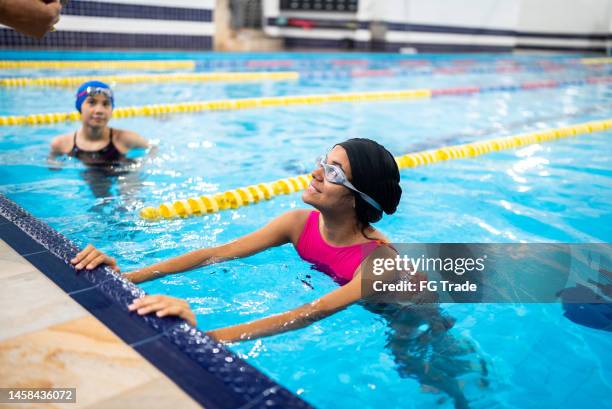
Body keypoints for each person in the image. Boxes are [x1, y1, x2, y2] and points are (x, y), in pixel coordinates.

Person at [72, 138, 403, 340]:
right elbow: (215, 254)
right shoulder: (299, 224)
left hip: (410, 318)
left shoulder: (381, 261)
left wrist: (206, 336)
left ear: (358, 198)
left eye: (333, 172)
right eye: (323, 162)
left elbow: (310, 312)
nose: (316, 173)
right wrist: (128, 276)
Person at [50, 81, 149, 166]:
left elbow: (152, 149)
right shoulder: (61, 144)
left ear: (111, 110)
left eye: (106, 104)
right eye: (92, 102)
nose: (99, 110)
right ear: (80, 107)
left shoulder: (125, 139)